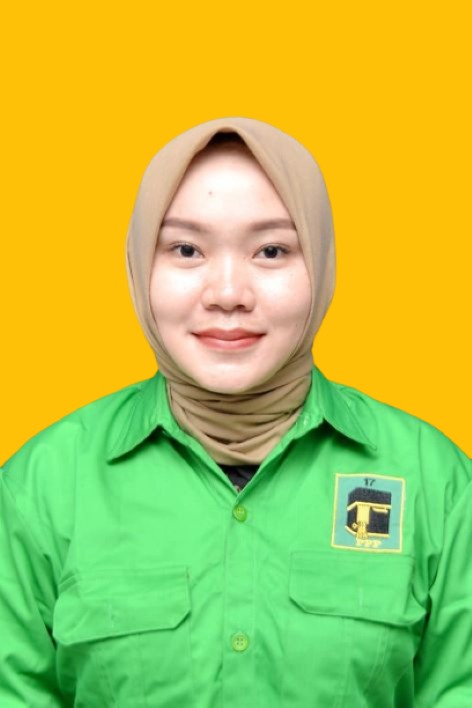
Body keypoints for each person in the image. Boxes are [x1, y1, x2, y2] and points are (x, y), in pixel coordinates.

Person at [0, 117, 470, 707]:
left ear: (320, 262)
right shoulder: (41, 486)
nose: (227, 294)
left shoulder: (436, 481)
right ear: (141, 265)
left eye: (272, 250)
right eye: (186, 249)